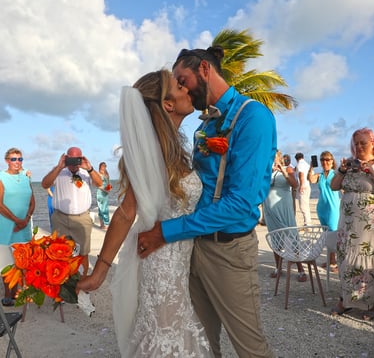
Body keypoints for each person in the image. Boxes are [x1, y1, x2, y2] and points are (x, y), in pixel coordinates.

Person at [138, 47, 276, 358]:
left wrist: (166, 231)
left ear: (204, 69)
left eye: (182, 79)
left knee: (250, 347)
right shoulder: (204, 127)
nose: (180, 87)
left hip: (229, 251)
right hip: (192, 248)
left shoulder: (253, 117)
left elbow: (241, 203)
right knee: (201, 343)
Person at [77, 70, 212, 357]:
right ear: (167, 105)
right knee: (164, 337)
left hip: (181, 264)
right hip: (162, 265)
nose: (186, 88)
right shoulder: (153, 154)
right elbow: (127, 212)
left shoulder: (174, 148)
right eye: (179, 86)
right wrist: (100, 272)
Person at [330, 128, 374, 321]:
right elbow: (333, 186)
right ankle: (345, 300)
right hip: (347, 223)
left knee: (367, 260)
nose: (358, 147)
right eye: (355, 143)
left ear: (373, 143)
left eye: (362, 143)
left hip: (368, 226)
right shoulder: (349, 163)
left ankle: (370, 303)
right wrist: (342, 170)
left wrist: (370, 170)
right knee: (346, 260)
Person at [41, 147, 102, 277]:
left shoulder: (86, 172)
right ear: (66, 158)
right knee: (58, 253)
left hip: (81, 219)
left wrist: (90, 168)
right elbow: (45, 184)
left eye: (76, 160)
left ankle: (82, 281)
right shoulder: (59, 172)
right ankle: (62, 283)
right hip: (60, 219)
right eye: (71, 159)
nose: (73, 164)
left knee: (82, 253)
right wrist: (58, 167)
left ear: (81, 158)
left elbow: (99, 183)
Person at [264, 150, 307, 282]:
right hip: (270, 209)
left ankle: (300, 268)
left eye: (274, 157)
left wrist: (282, 171)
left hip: (284, 207)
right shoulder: (265, 170)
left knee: (292, 234)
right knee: (275, 236)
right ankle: (278, 268)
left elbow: (295, 185)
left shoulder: (287, 168)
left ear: (279, 157)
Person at [0, 148, 35, 306]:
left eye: (20, 159)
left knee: (23, 262)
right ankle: (8, 294)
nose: (17, 162)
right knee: (6, 263)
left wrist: (25, 219)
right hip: (6, 227)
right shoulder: (1, 177)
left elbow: (32, 202)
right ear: (7, 160)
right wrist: (16, 220)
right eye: (13, 159)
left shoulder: (26, 177)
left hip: (24, 227)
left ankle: (20, 292)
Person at [308, 151, 340, 270]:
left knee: (333, 234)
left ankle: (334, 261)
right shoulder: (320, 175)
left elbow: (343, 188)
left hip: (333, 208)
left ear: (332, 161)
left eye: (327, 160)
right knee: (326, 235)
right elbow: (310, 179)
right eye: (322, 160)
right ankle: (330, 260)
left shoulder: (336, 174)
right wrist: (311, 166)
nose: (324, 162)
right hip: (322, 208)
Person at [294, 152, 311, 226]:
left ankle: (307, 224)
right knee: (306, 205)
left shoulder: (299, 164)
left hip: (303, 186)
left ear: (296, 159)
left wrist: (301, 185)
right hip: (307, 185)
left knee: (303, 207)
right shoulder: (306, 164)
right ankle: (307, 223)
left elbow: (301, 174)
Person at [96, 162, 111, 230]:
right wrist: (103, 189)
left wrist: (108, 190)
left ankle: (107, 224)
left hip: (105, 193)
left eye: (105, 166)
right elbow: (96, 184)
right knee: (100, 208)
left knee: (105, 208)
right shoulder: (98, 174)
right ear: (100, 167)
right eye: (102, 166)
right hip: (100, 192)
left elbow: (109, 184)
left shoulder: (106, 174)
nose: (104, 167)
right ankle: (102, 224)